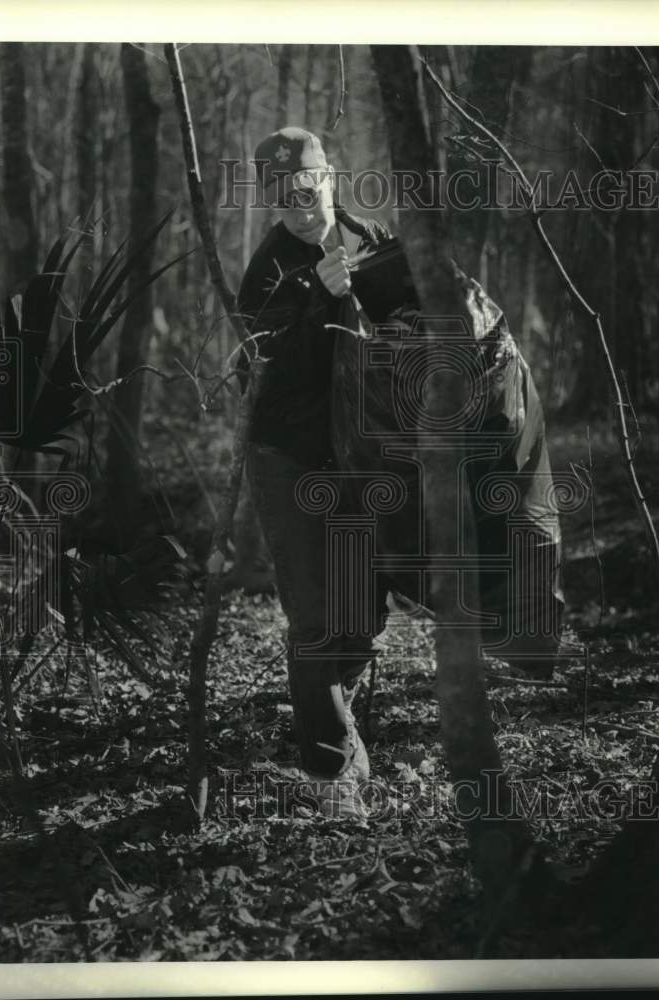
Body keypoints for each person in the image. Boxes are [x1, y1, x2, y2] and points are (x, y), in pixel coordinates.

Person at [237, 127, 390, 819]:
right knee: (313, 618)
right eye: (282, 197)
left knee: (361, 616)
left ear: (330, 176)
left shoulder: (371, 238)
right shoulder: (266, 272)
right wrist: (319, 298)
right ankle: (331, 771)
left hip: (362, 460)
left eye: (306, 188)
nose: (298, 206)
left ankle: (337, 723)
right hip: (288, 459)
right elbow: (265, 381)